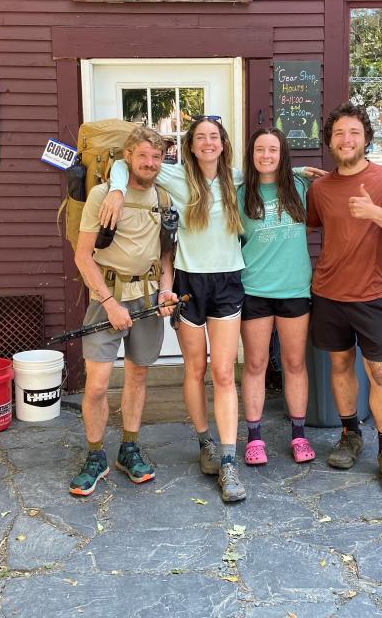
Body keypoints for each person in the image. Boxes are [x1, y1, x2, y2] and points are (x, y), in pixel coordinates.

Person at [101, 117, 248, 502]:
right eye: (200, 137)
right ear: (191, 145)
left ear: (222, 142)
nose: (207, 143)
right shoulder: (175, 177)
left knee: (223, 373)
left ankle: (230, 461)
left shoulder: (234, 178)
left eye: (213, 137)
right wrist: (116, 191)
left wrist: (297, 172)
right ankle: (206, 444)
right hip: (188, 280)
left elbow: (271, 169)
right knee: (195, 369)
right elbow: (121, 163)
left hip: (228, 280)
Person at [306, 102, 382, 491]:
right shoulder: (320, 189)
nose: (346, 139)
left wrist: (375, 213)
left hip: (373, 294)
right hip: (328, 294)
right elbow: (304, 222)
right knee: (340, 368)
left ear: (366, 139)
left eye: (354, 132)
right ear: (330, 141)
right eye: (339, 133)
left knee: (380, 372)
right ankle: (350, 435)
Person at [69, 126, 178, 497]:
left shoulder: (164, 198)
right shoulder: (103, 195)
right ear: (127, 157)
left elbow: (166, 255)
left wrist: (166, 290)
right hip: (107, 300)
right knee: (97, 385)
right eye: (143, 156)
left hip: (148, 298)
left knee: (137, 378)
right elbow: (83, 256)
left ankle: (128, 449)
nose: (149, 163)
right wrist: (110, 303)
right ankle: (96, 454)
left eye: (156, 157)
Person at [238, 128, 316, 466]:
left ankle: (299, 435)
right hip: (254, 288)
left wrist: (299, 173)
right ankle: (254, 438)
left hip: (295, 289)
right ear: (252, 154)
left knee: (294, 363)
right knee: (255, 364)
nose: (266, 155)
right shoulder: (240, 192)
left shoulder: (300, 187)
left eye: (273, 149)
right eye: (260, 150)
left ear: (283, 154)